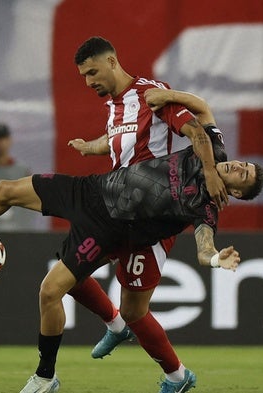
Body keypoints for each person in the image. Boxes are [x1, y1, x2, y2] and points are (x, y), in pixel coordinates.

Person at [0, 130, 263, 392]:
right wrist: (167, 96)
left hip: (113, 228)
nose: (237, 165)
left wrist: (216, 258)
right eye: (244, 164)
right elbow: (197, 113)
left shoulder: (204, 206)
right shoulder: (211, 150)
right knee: (5, 190)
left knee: (53, 292)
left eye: (243, 174)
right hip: (92, 190)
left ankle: (46, 376)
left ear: (234, 192)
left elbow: (204, 246)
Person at [64, 36, 230, 393]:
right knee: (68, 272)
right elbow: (113, 141)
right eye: (83, 76)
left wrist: (212, 173)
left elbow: (197, 124)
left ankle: (177, 376)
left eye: (92, 72)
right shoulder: (114, 107)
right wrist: (88, 147)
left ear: (112, 62)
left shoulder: (151, 94)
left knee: (135, 310)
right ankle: (114, 324)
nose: (89, 81)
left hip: (152, 217)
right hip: (115, 209)